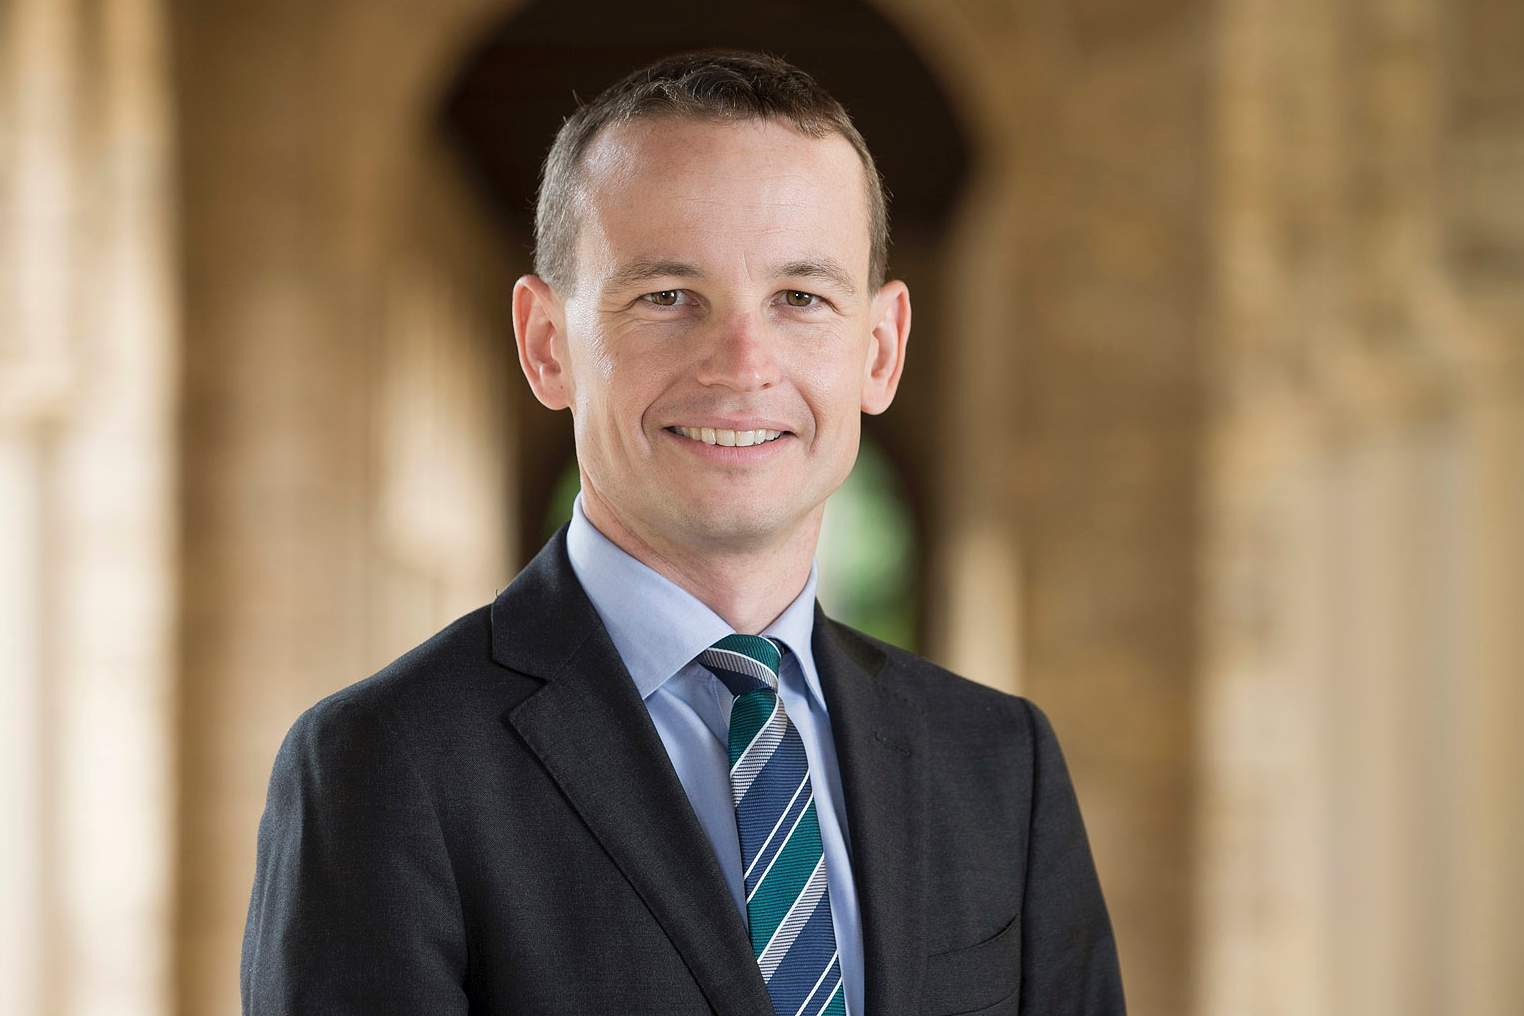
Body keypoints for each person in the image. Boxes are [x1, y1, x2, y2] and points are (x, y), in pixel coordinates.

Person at [240, 49, 1125, 1016]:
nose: (743, 363)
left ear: (879, 351)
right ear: (547, 347)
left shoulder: (1003, 764)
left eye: (801, 298)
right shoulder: (383, 766)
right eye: (667, 296)